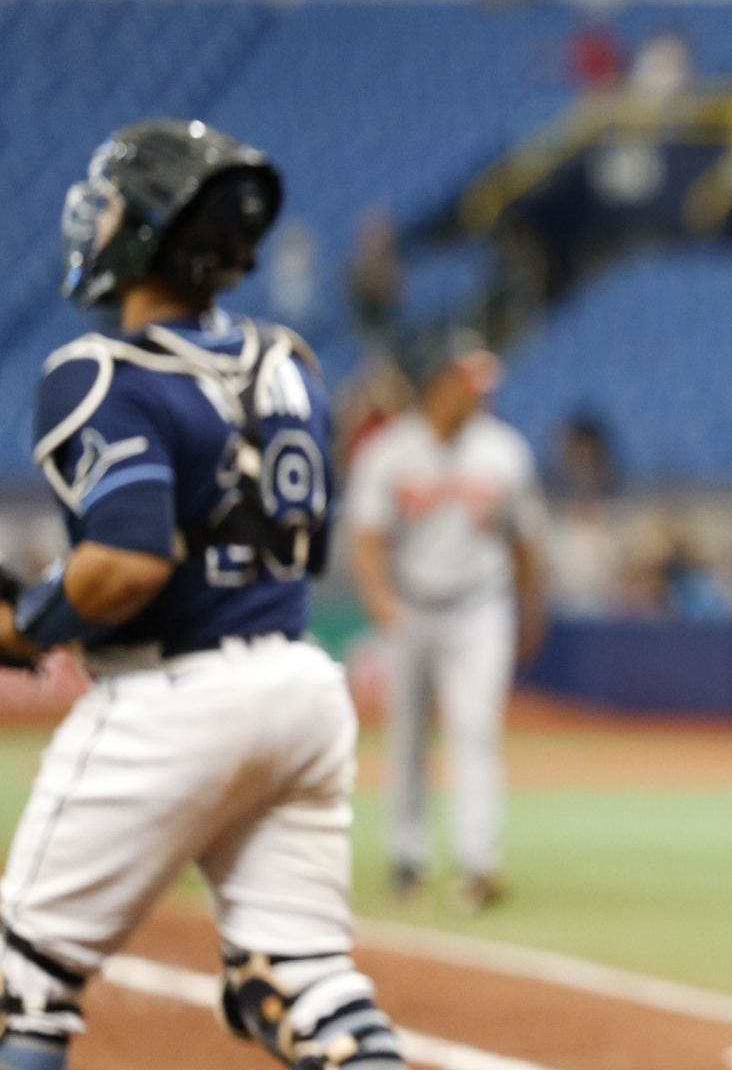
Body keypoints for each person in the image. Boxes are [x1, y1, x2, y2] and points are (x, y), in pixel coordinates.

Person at [0, 120, 405, 1070]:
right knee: (302, 982)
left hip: (173, 698)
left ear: (144, 231)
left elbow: (130, 564)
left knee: (20, 985)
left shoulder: (100, 371)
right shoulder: (292, 362)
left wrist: (29, 621)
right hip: (302, 687)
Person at [345, 330, 547, 911]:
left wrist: (532, 608)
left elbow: (526, 541)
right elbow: (366, 536)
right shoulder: (388, 451)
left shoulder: (504, 450)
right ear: (436, 384)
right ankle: (408, 855)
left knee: (476, 729)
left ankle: (477, 861)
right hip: (411, 605)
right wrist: (380, 595)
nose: (476, 393)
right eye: (465, 380)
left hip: (481, 606)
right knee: (408, 736)